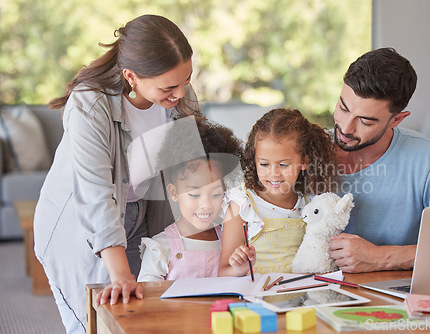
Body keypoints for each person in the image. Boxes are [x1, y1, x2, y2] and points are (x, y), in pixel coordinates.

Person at [33, 15, 200, 333]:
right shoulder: (90, 105)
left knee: (143, 318)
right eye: (169, 87)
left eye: (186, 80)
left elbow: (190, 173)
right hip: (83, 225)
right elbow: (96, 195)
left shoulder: (176, 100)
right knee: (96, 322)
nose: (180, 93)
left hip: (143, 215)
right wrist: (121, 274)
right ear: (131, 76)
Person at [328, 47, 430, 274]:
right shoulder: (301, 151)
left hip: (396, 296)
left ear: (396, 120)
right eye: (343, 108)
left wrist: (381, 257)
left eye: (366, 122)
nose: (346, 128)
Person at [218, 108, 337, 276]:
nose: (273, 173)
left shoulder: (311, 204)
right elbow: (222, 273)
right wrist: (239, 268)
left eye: (283, 165)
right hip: (257, 300)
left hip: (303, 300)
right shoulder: (242, 206)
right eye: (264, 164)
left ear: (304, 161)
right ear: (254, 160)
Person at [138, 120, 243, 281]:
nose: (206, 205)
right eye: (194, 195)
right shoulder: (160, 248)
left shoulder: (229, 243)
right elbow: (147, 303)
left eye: (215, 194)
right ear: (173, 192)